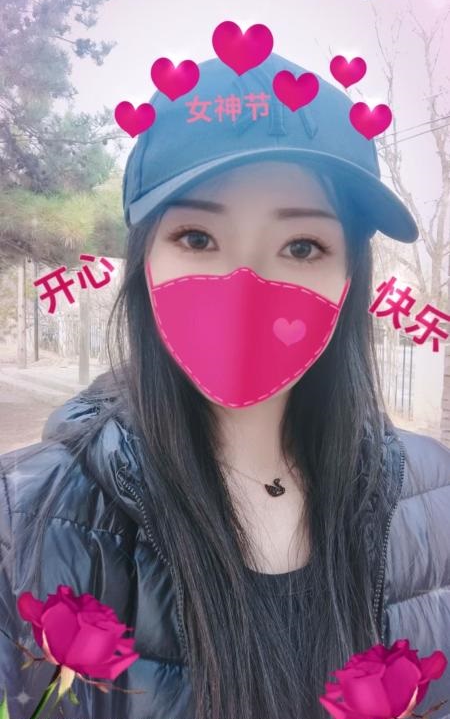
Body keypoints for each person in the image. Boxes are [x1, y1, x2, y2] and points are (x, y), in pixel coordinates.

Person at [1, 51, 450, 719]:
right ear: (144, 259)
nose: (244, 290)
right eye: (196, 237)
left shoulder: (436, 498)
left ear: (350, 275)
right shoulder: (25, 513)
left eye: (302, 246)